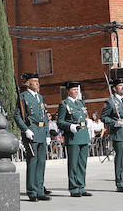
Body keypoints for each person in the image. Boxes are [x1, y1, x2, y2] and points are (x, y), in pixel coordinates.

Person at [15, 72, 51, 201]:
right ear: (28, 83)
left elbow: (45, 117)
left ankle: (40, 190)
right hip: (32, 131)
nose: (37, 83)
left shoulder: (40, 98)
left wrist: (47, 133)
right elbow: (17, 116)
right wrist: (25, 130)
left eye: (37, 81)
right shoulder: (23, 97)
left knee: (41, 162)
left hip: (41, 131)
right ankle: (32, 191)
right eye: (34, 81)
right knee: (33, 162)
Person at [101, 72, 123, 192]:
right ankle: (120, 182)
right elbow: (104, 117)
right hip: (119, 133)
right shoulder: (110, 102)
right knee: (120, 158)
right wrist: (114, 122)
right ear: (114, 88)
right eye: (120, 86)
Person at [56, 81, 90, 196]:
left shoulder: (80, 103)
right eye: (74, 89)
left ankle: (81, 186)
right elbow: (60, 122)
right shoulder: (64, 104)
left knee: (82, 163)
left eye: (77, 89)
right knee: (73, 164)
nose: (76, 91)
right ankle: (73, 187)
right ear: (68, 91)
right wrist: (70, 126)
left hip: (83, 135)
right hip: (73, 136)